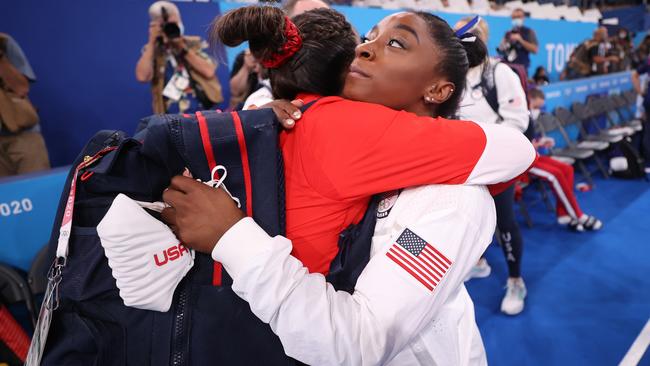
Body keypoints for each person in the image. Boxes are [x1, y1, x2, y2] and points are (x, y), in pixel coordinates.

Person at [161, 6, 535, 365]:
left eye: (396, 43)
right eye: (370, 36)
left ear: (437, 90)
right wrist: (260, 122)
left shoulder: (451, 201)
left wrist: (232, 236)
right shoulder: (316, 121)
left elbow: (359, 342)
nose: (364, 48)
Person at [456, 16, 529, 316]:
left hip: (496, 166)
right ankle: (478, 263)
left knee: (505, 221)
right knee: (469, 221)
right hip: (464, 168)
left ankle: (515, 280)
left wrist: (486, 144)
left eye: (470, 34)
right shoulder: (454, 74)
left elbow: (519, 120)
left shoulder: (500, 73)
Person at [527, 89, 603, 231]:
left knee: (567, 169)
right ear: (529, 99)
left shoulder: (526, 116)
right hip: (520, 163)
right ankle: (578, 215)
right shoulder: (513, 116)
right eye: (536, 106)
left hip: (531, 155)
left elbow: (528, 139)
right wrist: (533, 144)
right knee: (555, 175)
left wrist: (540, 141)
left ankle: (563, 214)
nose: (537, 110)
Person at [135, 1, 222, 114]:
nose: (170, 28)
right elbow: (142, 77)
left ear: (180, 21)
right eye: (165, 26)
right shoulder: (153, 50)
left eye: (174, 24)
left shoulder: (195, 43)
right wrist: (152, 42)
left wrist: (181, 47)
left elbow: (209, 72)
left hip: (202, 111)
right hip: (168, 118)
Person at [0, 33, 50, 177]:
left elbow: (22, 88)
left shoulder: (3, 42)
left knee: (38, 192)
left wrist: (1, 58)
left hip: (23, 137)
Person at [497, 8, 538, 74]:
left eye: (518, 17)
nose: (516, 19)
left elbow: (535, 49)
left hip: (521, 68)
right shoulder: (508, 33)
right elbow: (501, 48)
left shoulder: (529, 32)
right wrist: (504, 43)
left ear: (523, 17)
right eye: (514, 17)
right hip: (508, 67)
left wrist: (520, 40)